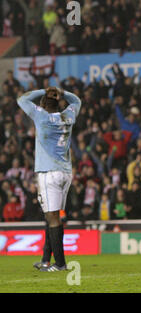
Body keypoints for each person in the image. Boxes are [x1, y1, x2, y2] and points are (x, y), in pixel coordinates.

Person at [17, 87, 81, 272]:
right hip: (65, 172)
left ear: (43, 105)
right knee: (52, 215)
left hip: (49, 173)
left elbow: (22, 99)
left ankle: (59, 264)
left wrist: (44, 90)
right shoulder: (68, 116)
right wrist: (63, 93)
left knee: (52, 218)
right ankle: (46, 259)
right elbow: (77, 101)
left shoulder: (41, 117)